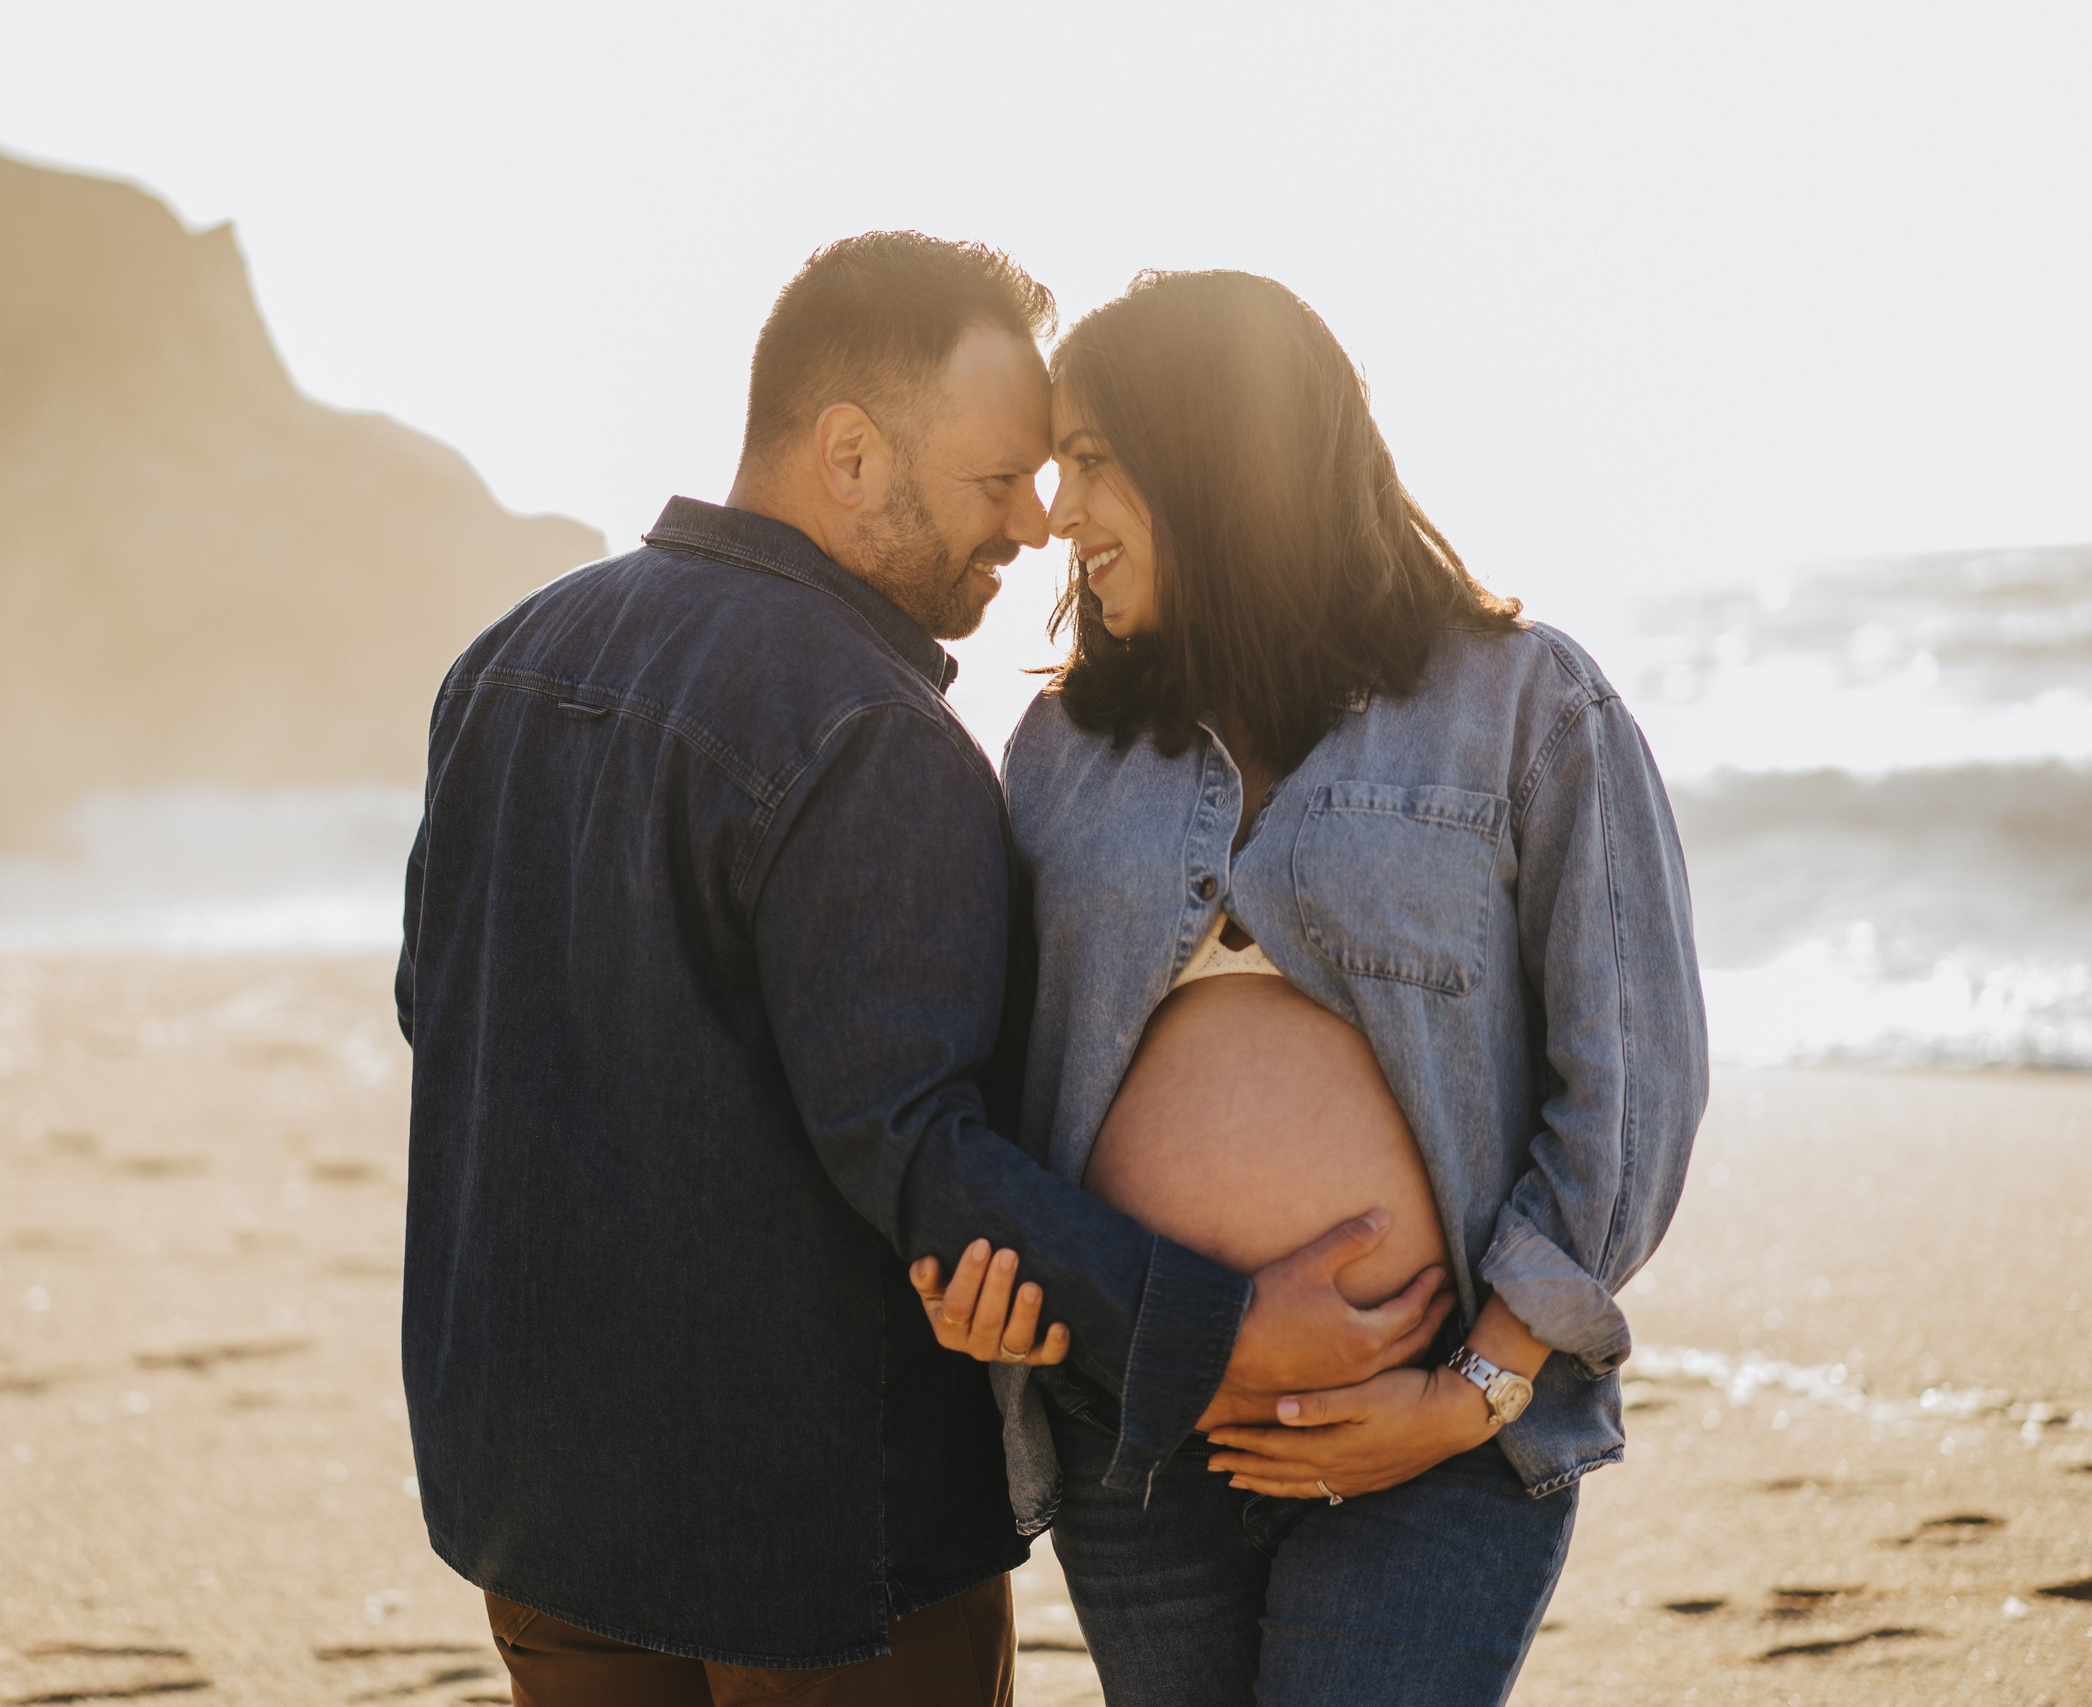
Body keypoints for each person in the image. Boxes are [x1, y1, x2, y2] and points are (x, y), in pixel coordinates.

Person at [393, 235, 1452, 1705]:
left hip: (531, 1499)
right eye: (993, 479)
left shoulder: (504, 662)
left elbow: (436, 1011)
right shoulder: (867, 728)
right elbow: (913, 1146)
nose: (1032, 522)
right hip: (811, 1538)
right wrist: (1215, 1330)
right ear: (847, 453)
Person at [915, 270, 1709, 1706]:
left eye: (1092, 459)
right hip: (1137, 1434)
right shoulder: (1061, 750)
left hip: (1429, 1440)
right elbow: (986, 1087)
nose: (1058, 511)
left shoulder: (1528, 705)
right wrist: (990, 1284)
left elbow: (1633, 1080)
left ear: (1217, 450)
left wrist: (1472, 1395)